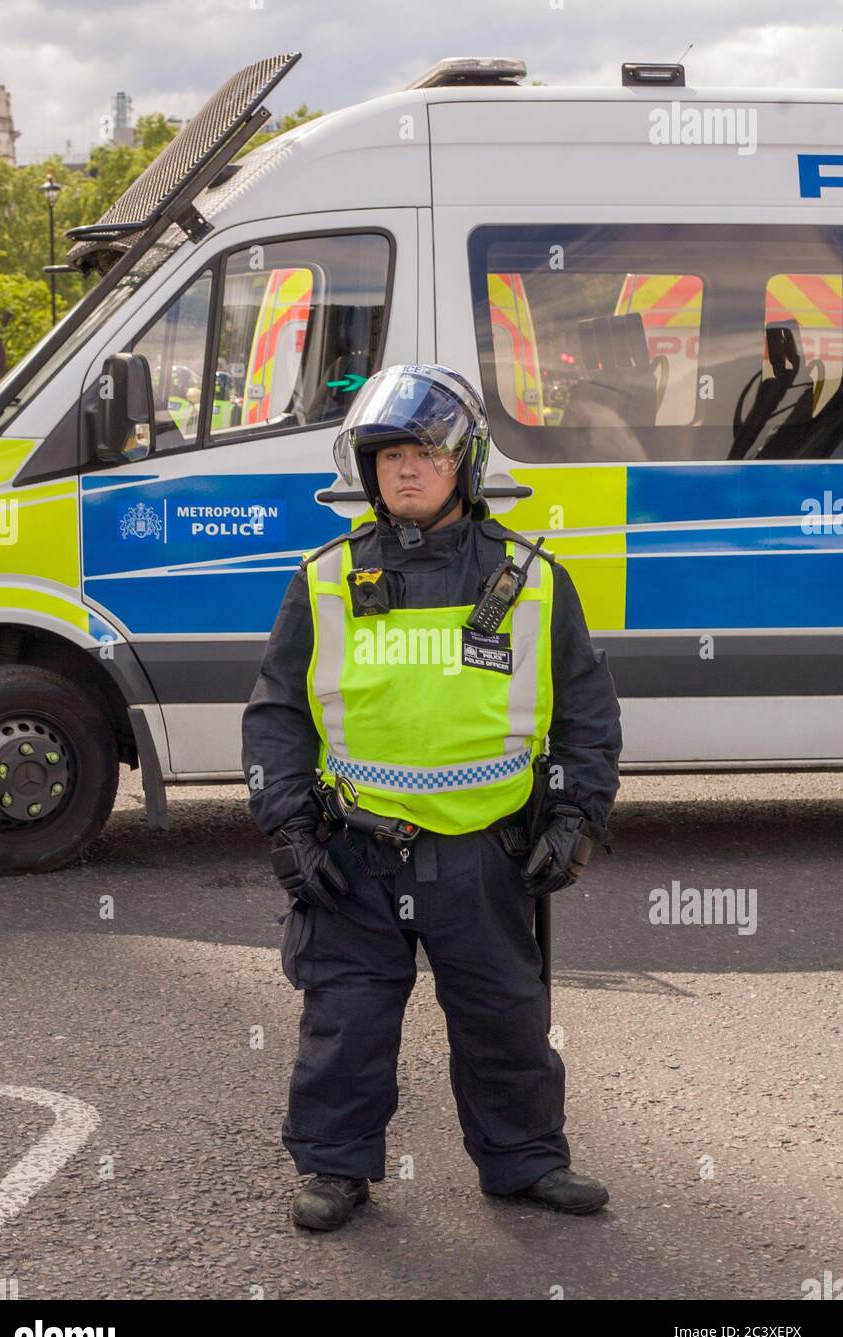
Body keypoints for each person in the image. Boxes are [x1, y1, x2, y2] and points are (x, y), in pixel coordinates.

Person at [241, 363, 622, 1232]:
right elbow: (277, 717)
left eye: (424, 452)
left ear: (466, 464)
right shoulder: (325, 577)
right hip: (352, 853)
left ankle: (524, 1161)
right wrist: (289, 827)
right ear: (365, 470)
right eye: (386, 455)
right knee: (345, 1019)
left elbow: (586, 715)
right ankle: (336, 1169)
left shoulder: (530, 578)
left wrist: (574, 817)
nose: (404, 469)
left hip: (484, 853)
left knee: (504, 1018)